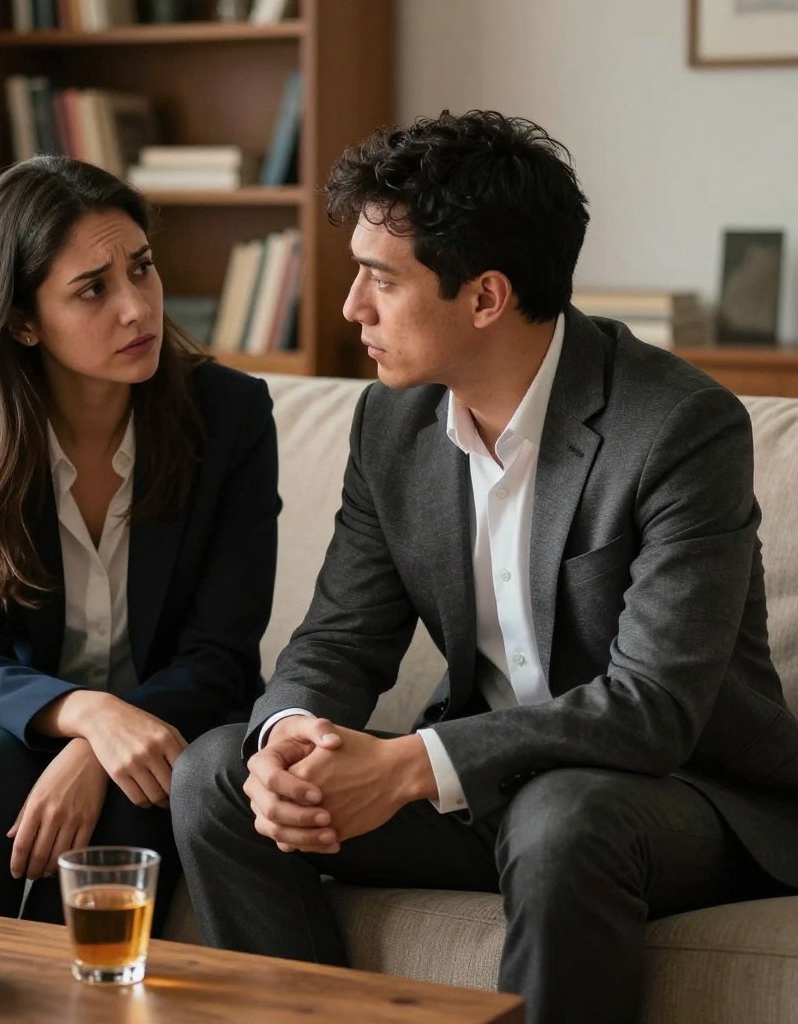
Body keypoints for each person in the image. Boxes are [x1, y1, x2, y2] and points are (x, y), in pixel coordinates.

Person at [170, 111, 798, 1024]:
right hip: (489, 787)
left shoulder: (677, 428)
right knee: (219, 774)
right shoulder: (392, 425)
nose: (351, 308)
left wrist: (410, 766)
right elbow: (340, 637)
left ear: (487, 296)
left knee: (563, 816)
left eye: (380, 279)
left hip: (677, 798)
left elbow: (653, 707)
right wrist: (291, 738)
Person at [0, 155, 278, 928]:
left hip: (160, 729)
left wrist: (102, 744)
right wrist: (90, 716)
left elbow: (221, 656)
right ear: (23, 320)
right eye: (93, 289)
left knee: (135, 798)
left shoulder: (229, 418)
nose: (137, 308)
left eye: (143, 269)